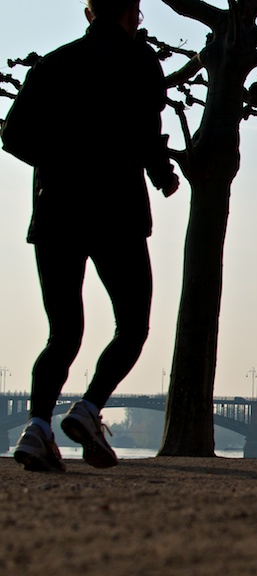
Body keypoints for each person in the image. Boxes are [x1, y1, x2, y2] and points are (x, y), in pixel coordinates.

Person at [1, 0, 179, 472]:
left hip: (57, 211)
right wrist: (162, 174)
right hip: (115, 211)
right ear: (133, 13)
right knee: (132, 324)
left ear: (89, 13)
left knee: (62, 332)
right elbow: (146, 131)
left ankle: (37, 427)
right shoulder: (140, 62)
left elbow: (13, 135)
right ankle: (88, 407)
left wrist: (60, 162)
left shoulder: (52, 64)